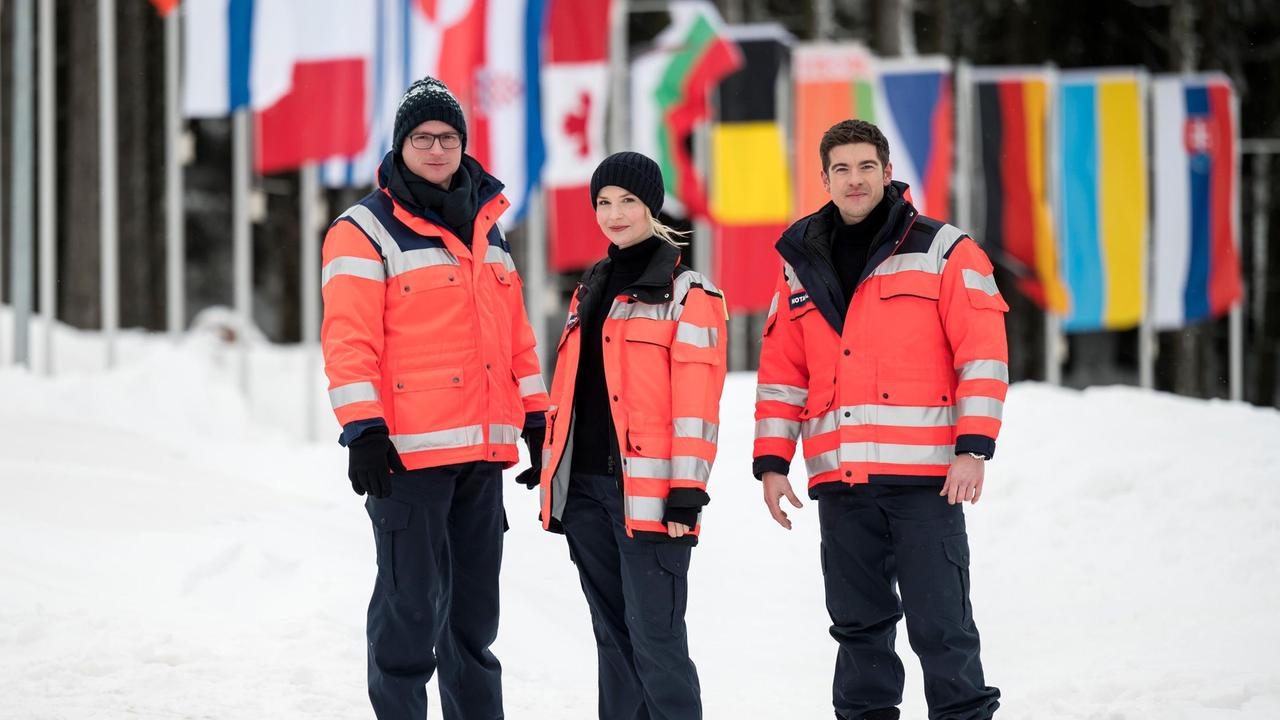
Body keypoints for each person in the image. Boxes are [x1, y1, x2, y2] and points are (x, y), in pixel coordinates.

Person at [753, 119, 1007, 720]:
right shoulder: (801, 262)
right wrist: (771, 462)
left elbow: (984, 354)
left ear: (888, 173)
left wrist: (973, 448)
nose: (854, 179)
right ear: (824, 178)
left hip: (926, 478)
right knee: (858, 631)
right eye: (840, 169)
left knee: (942, 627)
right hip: (842, 481)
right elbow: (782, 370)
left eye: (866, 166)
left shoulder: (945, 250)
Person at [320, 76, 549, 720]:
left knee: (474, 621)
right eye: (423, 138)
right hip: (405, 459)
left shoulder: (488, 229)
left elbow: (516, 339)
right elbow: (349, 342)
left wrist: (535, 417)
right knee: (409, 613)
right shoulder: (362, 231)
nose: (437, 149)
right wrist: (363, 429)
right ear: (400, 146)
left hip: (480, 453)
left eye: (448, 137)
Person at [534, 151, 727, 720]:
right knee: (613, 644)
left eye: (627, 202)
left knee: (657, 644)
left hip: (650, 497)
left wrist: (688, 490)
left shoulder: (689, 293)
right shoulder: (589, 286)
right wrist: (551, 460)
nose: (614, 214)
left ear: (652, 206)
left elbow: (698, 404)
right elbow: (575, 390)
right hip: (587, 493)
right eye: (603, 202)